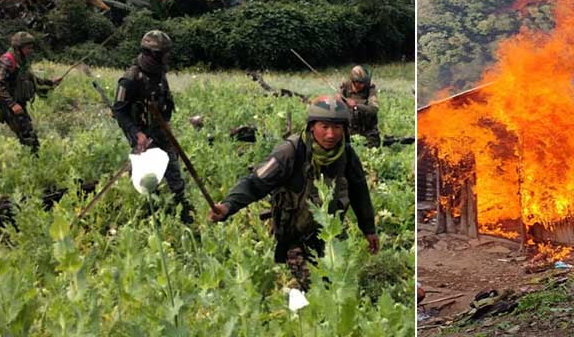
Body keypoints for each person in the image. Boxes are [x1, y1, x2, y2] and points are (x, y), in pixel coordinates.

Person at [209, 95, 380, 290]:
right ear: (311, 127)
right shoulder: (290, 151)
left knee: (340, 286)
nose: (331, 134)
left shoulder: (346, 154)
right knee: (313, 290)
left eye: (337, 127)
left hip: (330, 236)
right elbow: (255, 184)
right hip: (295, 238)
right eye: (324, 127)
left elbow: (360, 191)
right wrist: (228, 206)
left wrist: (369, 229)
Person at [113, 30, 195, 224]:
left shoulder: (160, 71)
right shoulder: (130, 79)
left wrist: (165, 120)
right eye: (163, 53)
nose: (167, 57)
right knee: (148, 174)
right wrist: (136, 133)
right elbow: (119, 111)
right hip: (141, 133)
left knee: (172, 165)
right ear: (152, 53)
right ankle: (150, 211)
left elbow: (165, 98)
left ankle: (181, 204)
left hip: (161, 128)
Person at [0, 32, 61, 153]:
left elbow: (32, 78)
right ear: (18, 48)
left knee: (27, 133)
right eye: (28, 48)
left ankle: (30, 157)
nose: (31, 50)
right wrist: (12, 105)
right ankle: (33, 160)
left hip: (19, 103)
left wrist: (51, 83)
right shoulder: (7, 61)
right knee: (28, 135)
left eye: (31, 47)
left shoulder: (21, 61)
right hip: (8, 105)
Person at [339, 65, 381, 147]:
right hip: (349, 130)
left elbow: (374, 109)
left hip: (368, 130)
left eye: (363, 83)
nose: (362, 85)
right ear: (353, 82)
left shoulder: (370, 89)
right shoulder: (345, 87)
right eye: (360, 83)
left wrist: (356, 105)